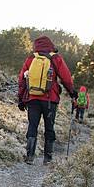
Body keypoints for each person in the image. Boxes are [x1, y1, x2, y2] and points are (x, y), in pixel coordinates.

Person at [18, 36, 77, 165]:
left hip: (32, 98)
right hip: (50, 99)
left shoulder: (31, 58)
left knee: (32, 125)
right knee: (49, 127)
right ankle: (48, 159)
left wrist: (21, 99)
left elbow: (22, 79)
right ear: (50, 44)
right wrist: (72, 92)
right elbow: (65, 77)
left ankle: (29, 156)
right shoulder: (55, 58)